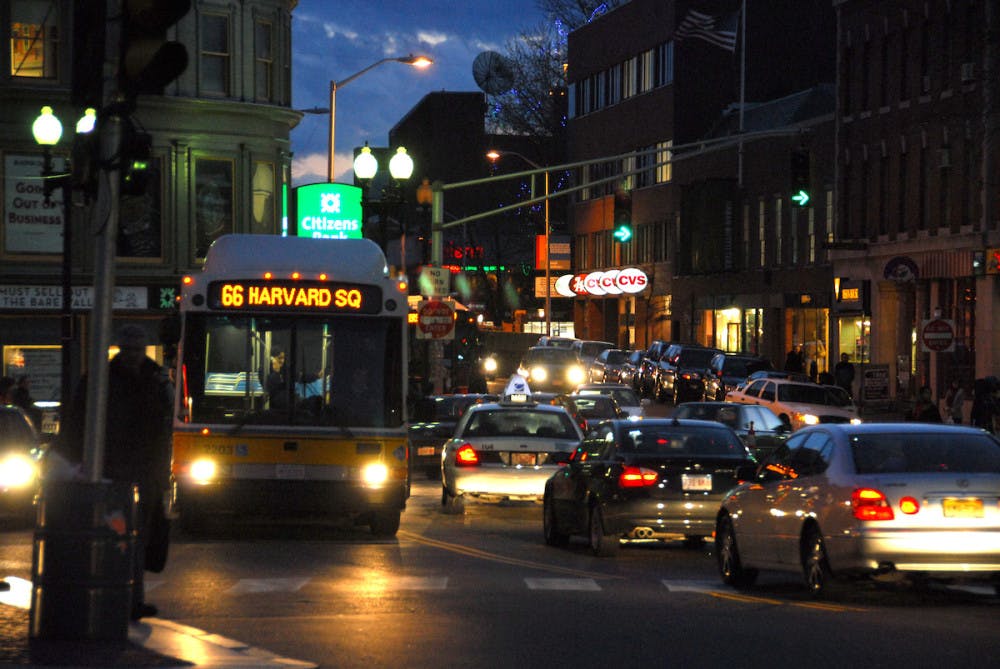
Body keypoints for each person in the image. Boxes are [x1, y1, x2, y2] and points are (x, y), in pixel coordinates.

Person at [60, 324, 171, 620]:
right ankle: (118, 596)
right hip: (113, 469)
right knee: (117, 536)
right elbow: (78, 422)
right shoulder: (108, 380)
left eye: (137, 349)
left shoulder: (155, 380)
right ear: (121, 350)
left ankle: (132, 598)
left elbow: (164, 428)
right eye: (129, 349)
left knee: (136, 539)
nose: (133, 355)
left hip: (141, 470)